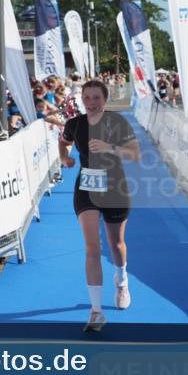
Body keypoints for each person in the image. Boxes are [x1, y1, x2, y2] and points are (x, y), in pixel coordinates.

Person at [59, 80, 141, 332]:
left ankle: (122, 281)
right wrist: (64, 157)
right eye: (87, 98)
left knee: (116, 245)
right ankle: (96, 312)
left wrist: (110, 147)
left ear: (105, 100)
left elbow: (135, 154)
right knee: (93, 248)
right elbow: (63, 142)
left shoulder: (116, 122)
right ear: (82, 99)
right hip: (87, 188)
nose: (91, 102)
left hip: (115, 189)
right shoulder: (74, 124)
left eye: (96, 98)